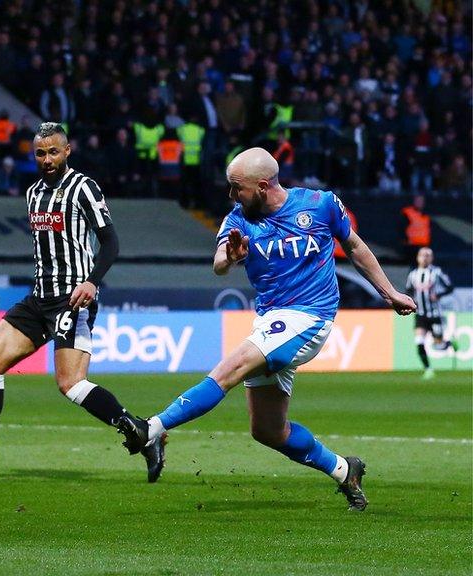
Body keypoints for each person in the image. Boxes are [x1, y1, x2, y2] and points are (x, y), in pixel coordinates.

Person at [139, 148, 416, 511]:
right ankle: (344, 470)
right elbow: (220, 262)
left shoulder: (320, 205)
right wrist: (231, 258)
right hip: (272, 321)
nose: (231, 195)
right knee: (268, 430)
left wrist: (389, 292)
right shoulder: (238, 218)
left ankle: (153, 429)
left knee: (229, 369)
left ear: (264, 186)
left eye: (237, 188)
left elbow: (354, 246)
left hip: (310, 317)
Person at [0, 123, 163, 482]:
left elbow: (110, 243)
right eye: (40, 153)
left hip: (72, 298)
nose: (46, 159)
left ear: (67, 151)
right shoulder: (32, 194)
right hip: (38, 298)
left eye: (53, 152)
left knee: (70, 384)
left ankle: (144, 432)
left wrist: (92, 281)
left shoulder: (84, 188)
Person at [406, 247, 456, 379]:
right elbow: (408, 290)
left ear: (432, 258)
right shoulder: (413, 274)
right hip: (421, 314)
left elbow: (449, 287)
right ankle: (428, 369)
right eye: (422, 255)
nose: (425, 257)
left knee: (439, 346)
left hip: (435, 314)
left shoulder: (437, 272)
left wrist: (438, 295)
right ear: (418, 257)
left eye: (428, 255)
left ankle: (449, 343)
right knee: (419, 342)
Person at [399, 193, 431, 265]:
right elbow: (401, 227)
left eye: (421, 201)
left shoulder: (426, 215)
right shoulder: (407, 212)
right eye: (418, 201)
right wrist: (405, 240)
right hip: (411, 246)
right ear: (414, 201)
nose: (420, 203)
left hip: (423, 247)